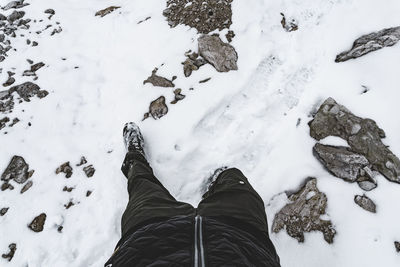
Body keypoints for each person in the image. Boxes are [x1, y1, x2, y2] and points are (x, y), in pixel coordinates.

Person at [105, 122, 281, 267]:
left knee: (141, 186)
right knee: (235, 181)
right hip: (241, 236)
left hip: (147, 235)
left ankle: (134, 158)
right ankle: (217, 184)